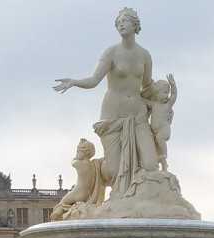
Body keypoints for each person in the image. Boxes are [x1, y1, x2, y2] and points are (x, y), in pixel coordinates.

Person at [53, 7, 159, 194]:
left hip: (137, 115)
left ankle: (141, 199)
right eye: (118, 23)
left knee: (150, 164)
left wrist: (165, 97)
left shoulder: (145, 55)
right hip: (113, 114)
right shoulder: (111, 52)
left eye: (124, 21)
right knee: (115, 171)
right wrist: (74, 82)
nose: (120, 25)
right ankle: (93, 174)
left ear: (135, 25)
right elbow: (94, 80)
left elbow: (148, 86)